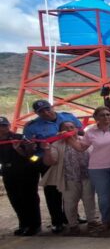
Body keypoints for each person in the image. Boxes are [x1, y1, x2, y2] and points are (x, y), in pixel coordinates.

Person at [23, 100, 82, 233]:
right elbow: (30, 149)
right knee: (52, 192)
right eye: (41, 111)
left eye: (47, 109)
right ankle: (57, 221)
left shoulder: (68, 117)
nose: (45, 112)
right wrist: (30, 148)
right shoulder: (32, 126)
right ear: (36, 113)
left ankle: (72, 217)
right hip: (49, 160)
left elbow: (80, 132)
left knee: (71, 190)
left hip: (69, 157)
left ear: (52, 107)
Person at [70, 106, 110, 231]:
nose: (106, 117)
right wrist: (69, 139)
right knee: (103, 196)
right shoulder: (91, 131)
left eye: (108, 115)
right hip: (98, 168)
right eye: (102, 115)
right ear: (96, 118)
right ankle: (106, 221)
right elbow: (81, 147)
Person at [43, 121, 97, 235]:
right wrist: (47, 150)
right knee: (70, 203)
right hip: (69, 178)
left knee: (89, 200)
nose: (69, 130)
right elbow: (50, 162)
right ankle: (73, 225)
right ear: (60, 131)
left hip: (87, 176)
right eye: (65, 128)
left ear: (77, 129)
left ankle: (92, 222)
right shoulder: (57, 144)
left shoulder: (85, 140)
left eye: (71, 127)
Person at [0, 116, 40, 236]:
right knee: (15, 199)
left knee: (29, 198)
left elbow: (32, 156)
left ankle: (34, 225)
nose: (2, 129)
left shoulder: (20, 138)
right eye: (0, 127)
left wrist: (20, 149)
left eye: (4, 126)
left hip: (25, 171)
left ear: (8, 126)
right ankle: (23, 224)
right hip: (8, 172)